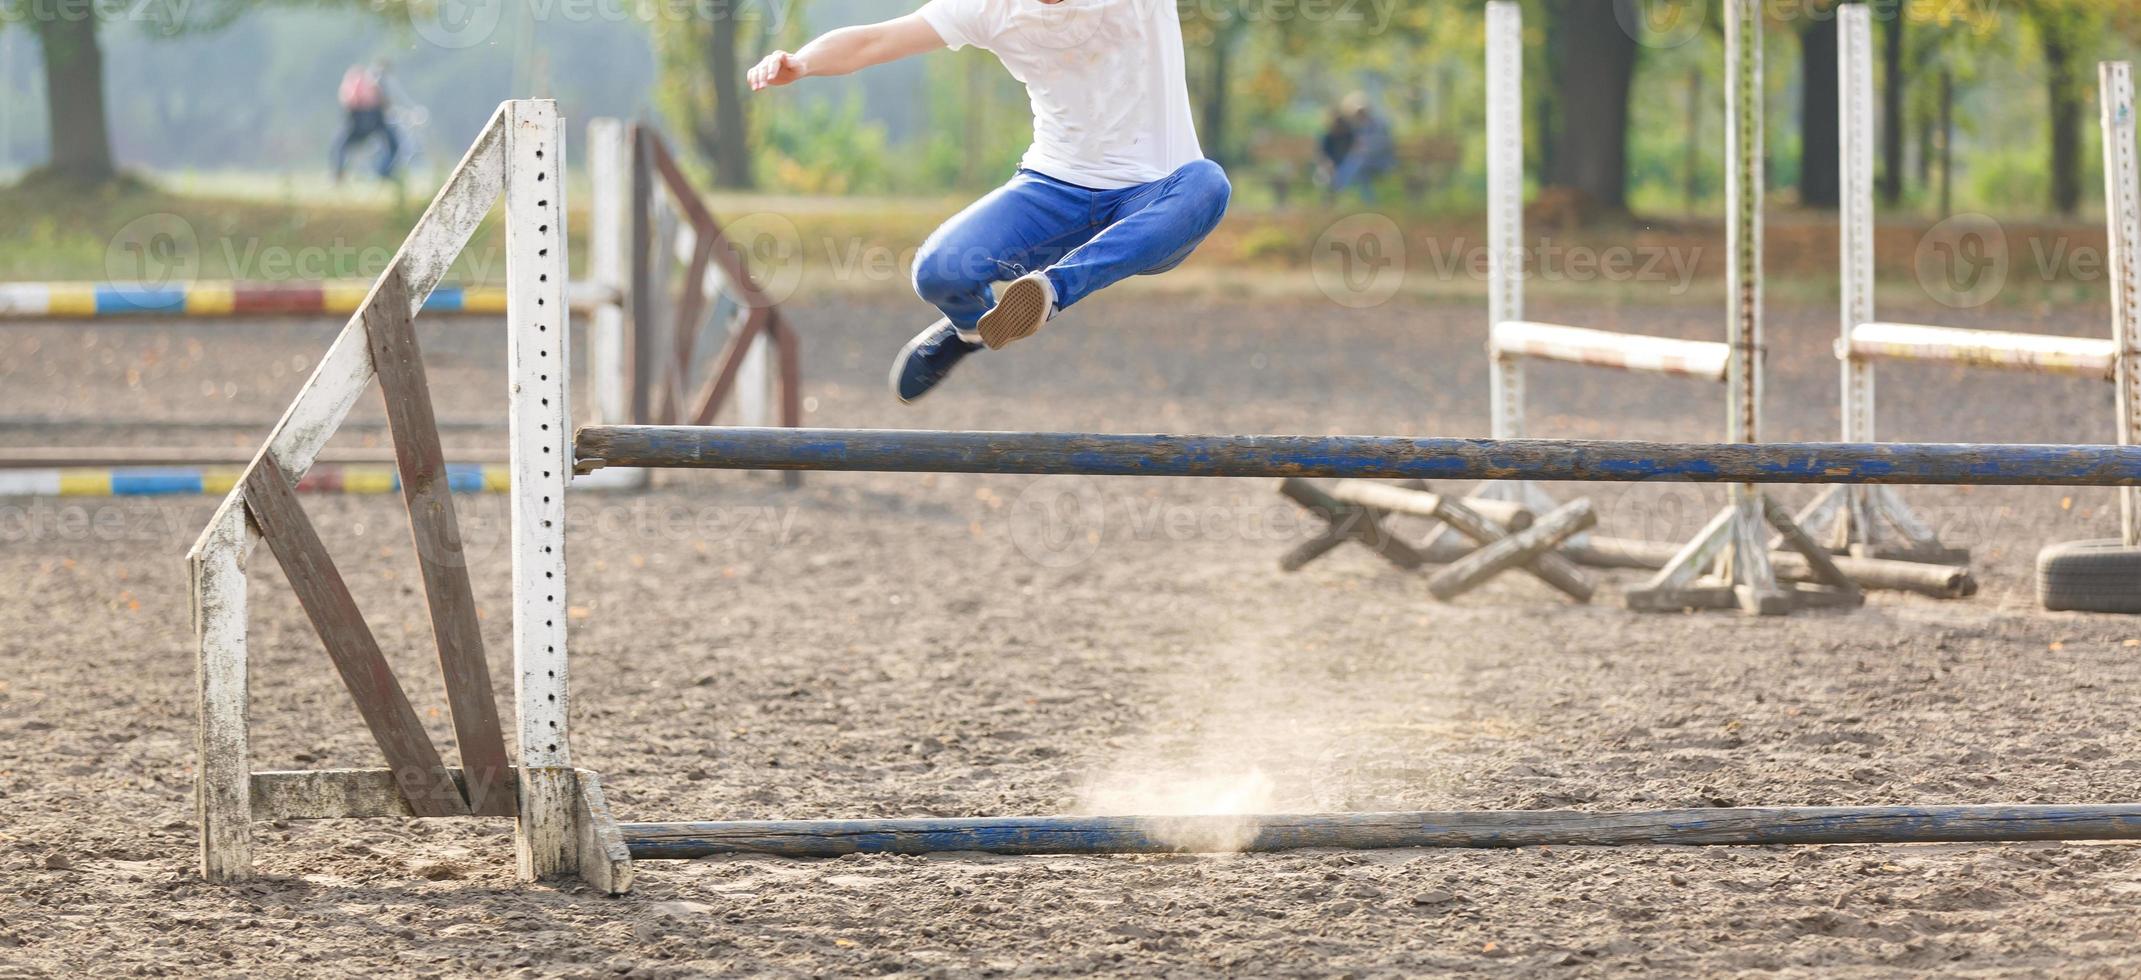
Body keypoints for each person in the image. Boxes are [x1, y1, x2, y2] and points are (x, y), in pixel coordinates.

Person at [749, 0, 1233, 403]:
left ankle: (1051, 292)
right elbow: (875, 39)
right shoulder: (988, 5)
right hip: (1054, 189)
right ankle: (970, 330)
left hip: (1154, 204)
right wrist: (803, 62)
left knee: (1208, 184)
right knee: (938, 271)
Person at [333, 61, 402, 183]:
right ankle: (340, 174)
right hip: (360, 121)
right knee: (340, 146)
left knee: (392, 144)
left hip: (371, 121)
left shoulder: (373, 84)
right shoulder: (362, 83)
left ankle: (384, 171)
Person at [1322, 92, 1393, 203]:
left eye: (1362, 111)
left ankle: (1336, 187)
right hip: (1362, 163)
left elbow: (1385, 144)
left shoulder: (1380, 124)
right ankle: (1370, 201)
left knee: (1357, 163)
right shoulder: (1356, 127)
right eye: (1357, 112)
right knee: (1361, 171)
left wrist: (1367, 147)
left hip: (1380, 161)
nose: (1360, 114)